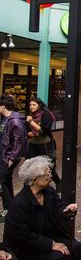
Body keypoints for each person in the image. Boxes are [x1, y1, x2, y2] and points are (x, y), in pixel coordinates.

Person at [3, 156, 81, 260]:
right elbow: (22, 237)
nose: (50, 175)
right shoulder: (19, 204)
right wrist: (52, 245)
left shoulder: (48, 192)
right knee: (58, 257)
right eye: (46, 173)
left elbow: (58, 206)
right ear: (34, 179)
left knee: (76, 248)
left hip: (47, 239)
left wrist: (66, 210)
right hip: (26, 250)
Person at [0, 95, 28, 223]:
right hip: (4, 154)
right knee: (6, 181)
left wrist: (12, 157)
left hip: (8, 156)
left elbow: (19, 140)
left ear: (3, 106)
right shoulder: (5, 119)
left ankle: (8, 209)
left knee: (2, 182)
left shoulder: (14, 120)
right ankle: (11, 208)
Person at [25, 97, 61, 191]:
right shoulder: (30, 115)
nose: (31, 107)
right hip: (33, 144)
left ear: (39, 106)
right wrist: (35, 132)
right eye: (30, 105)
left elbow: (44, 131)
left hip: (45, 144)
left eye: (34, 105)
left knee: (48, 166)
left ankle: (58, 182)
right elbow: (27, 131)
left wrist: (32, 123)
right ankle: (29, 187)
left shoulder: (45, 115)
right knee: (29, 164)